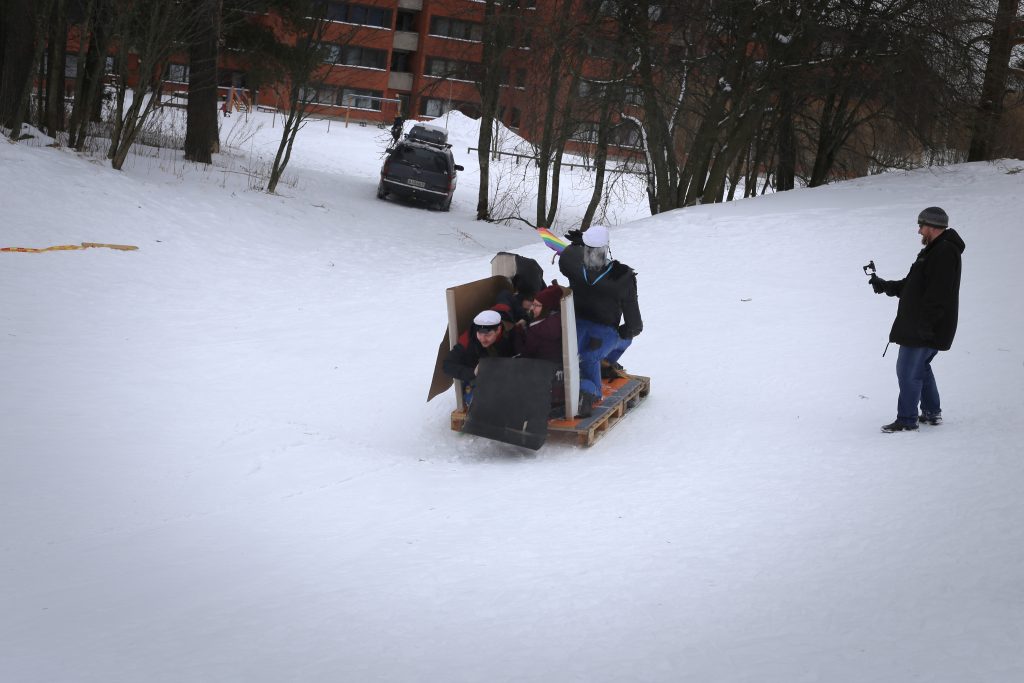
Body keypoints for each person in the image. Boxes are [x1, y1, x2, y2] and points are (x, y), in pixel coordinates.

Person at [869, 206, 965, 433]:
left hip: (925, 326)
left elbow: (938, 293)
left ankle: (907, 420)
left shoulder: (943, 252)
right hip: (923, 324)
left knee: (907, 370)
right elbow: (913, 285)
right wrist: (886, 286)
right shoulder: (933, 250)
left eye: (921, 226)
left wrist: (925, 325)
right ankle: (932, 412)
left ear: (932, 226)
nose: (919, 231)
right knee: (920, 367)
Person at [558, 225, 642, 417]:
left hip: (572, 328)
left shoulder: (571, 261)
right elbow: (635, 325)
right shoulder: (622, 278)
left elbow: (569, 251)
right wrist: (624, 333)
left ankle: (598, 366)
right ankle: (587, 392)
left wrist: (579, 243)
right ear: (606, 247)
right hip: (602, 335)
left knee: (576, 356)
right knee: (622, 340)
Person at [443, 309, 515, 406]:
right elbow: (447, 365)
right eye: (479, 334)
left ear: (498, 330)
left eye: (488, 335)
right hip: (476, 382)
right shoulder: (467, 341)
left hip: (504, 377)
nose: (483, 339)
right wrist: (472, 372)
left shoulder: (510, 333)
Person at [514, 284, 563, 363]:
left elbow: (524, 354)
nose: (532, 308)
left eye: (537, 305)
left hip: (539, 369)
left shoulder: (536, 331)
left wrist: (519, 331)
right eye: (533, 304)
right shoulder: (560, 318)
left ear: (546, 308)